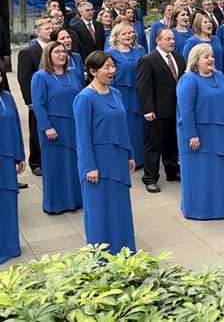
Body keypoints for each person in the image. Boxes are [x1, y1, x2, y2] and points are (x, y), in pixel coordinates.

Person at [74, 51, 137, 254]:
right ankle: (101, 258)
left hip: (117, 160)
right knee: (100, 211)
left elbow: (123, 127)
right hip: (98, 164)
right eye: (106, 67)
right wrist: (90, 167)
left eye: (113, 66)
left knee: (120, 210)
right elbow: (82, 137)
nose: (112, 71)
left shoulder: (116, 93)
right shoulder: (84, 98)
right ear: (93, 71)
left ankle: (124, 252)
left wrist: (129, 154)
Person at [177, 44, 224, 220]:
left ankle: (220, 207)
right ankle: (198, 210)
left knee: (219, 171)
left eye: (211, 56)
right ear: (196, 60)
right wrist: (192, 135)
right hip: (198, 134)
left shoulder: (219, 75)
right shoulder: (188, 80)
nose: (211, 59)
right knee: (200, 173)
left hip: (219, 132)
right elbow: (186, 110)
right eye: (206, 57)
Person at [31, 41, 83, 214]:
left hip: (73, 126)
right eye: (57, 52)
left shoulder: (73, 74)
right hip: (53, 129)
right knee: (55, 166)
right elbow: (38, 105)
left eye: (63, 52)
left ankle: (75, 200)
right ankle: (56, 204)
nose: (62, 55)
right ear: (48, 55)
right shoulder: (40, 76)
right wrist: (47, 126)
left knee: (73, 165)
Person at [137, 28, 186, 193]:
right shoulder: (148, 60)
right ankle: (150, 178)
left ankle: (172, 171)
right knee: (154, 145)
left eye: (173, 39)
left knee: (172, 143)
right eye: (167, 39)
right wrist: (148, 109)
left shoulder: (179, 58)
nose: (172, 41)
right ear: (158, 41)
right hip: (157, 111)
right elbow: (144, 87)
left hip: (176, 109)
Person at [106, 23, 148, 169]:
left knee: (139, 127)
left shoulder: (140, 50)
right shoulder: (110, 53)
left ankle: (140, 159)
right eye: (125, 34)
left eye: (131, 32)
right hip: (121, 93)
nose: (129, 35)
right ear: (116, 36)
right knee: (125, 126)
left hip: (140, 93)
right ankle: (125, 158)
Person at [18, 18, 54, 176]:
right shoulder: (28, 52)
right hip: (37, 99)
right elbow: (24, 78)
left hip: (53, 97)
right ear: (38, 32)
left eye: (52, 28)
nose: (50, 30)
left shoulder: (55, 48)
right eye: (47, 28)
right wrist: (29, 101)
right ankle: (36, 162)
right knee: (36, 129)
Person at [0, 63, 25, 265]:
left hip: (6, 158)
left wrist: (19, 156)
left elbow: (16, 125)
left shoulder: (7, 97)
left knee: (8, 200)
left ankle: (10, 245)